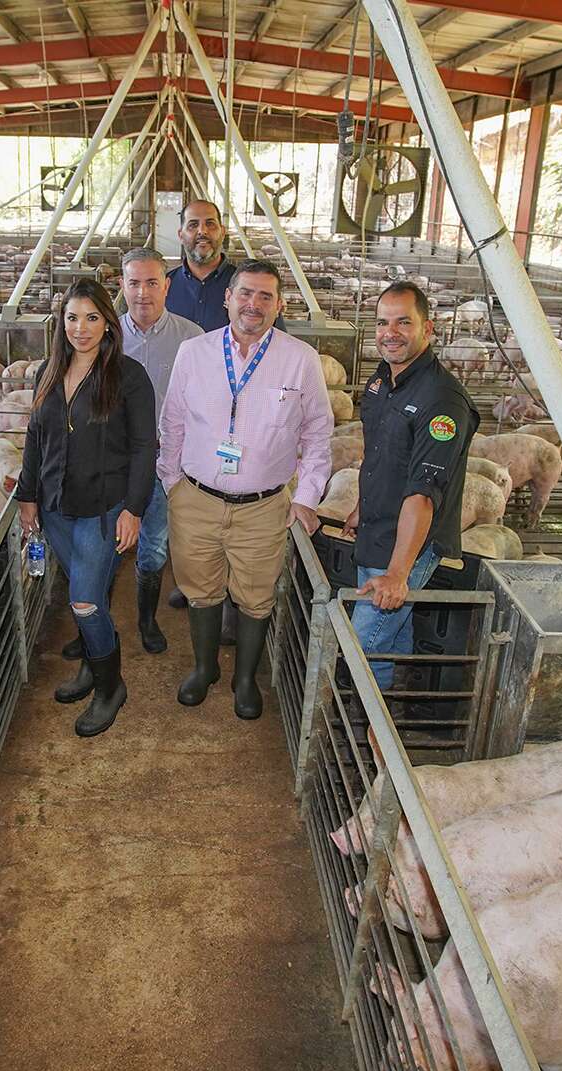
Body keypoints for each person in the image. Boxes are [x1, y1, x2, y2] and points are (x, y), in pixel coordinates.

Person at [159, 259, 332, 720]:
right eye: (245, 293)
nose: (253, 304)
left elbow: (318, 435)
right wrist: (172, 482)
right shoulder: (194, 353)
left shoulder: (300, 359)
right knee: (199, 588)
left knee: (256, 595)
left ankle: (245, 678)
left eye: (265, 296)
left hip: (263, 505)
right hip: (194, 498)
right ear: (228, 298)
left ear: (279, 304)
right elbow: (172, 422)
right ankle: (204, 667)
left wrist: (306, 498)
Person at [15, 278, 158, 737]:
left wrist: (134, 509)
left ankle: (109, 686)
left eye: (92, 318)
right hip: (56, 507)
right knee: (86, 599)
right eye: (72, 317)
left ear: (108, 324)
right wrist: (27, 496)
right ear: (61, 322)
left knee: (84, 600)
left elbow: (143, 449)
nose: (81, 328)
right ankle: (93, 667)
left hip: (104, 510)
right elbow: (36, 438)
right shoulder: (47, 372)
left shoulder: (129, 376)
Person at [344, 283, 481, 688]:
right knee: (390, 635)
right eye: (383, 322)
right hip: (378, 525)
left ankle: (363, 727)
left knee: (360, 644)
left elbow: (423, 493)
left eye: (404, 321)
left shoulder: (442, 400)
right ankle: (392, 709)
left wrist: (398, 574)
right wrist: (362, 505)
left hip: (408, 542)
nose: (391, 332)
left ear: (428, 328)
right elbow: (383, 453)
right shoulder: (382, 379)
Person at [116, 247, 203, 652]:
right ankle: (91, 620)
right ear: (122, 285)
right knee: (102, 542)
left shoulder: (192, 338)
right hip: (114, 461)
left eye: (152, 282)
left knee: (152, 544)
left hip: (168, 459)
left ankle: (147, 620)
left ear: (166, 286)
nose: (143, 292)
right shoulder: (106, 338)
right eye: (134, 282)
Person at [165, 199, 233, 332]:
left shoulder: (246, 286)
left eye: (210, 224)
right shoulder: (163, 287)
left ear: (222, 232)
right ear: (181, 235)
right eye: (193, 225)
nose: (202, 231)